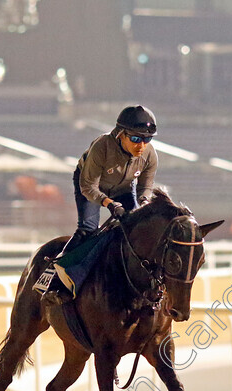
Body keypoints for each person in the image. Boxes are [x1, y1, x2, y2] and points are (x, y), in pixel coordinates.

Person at [41, 105, 159, 304]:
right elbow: (88, 186)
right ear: (121, 134)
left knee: (136, 229)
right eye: (136, 139)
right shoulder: (102, 147)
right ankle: (55, 277)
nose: (141, 145)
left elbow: (145, 188)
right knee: (88, 229)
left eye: (147, 139)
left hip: (122, 187)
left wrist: (145, 203)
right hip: (89, 184)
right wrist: (109, 204)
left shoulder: (149, 156)